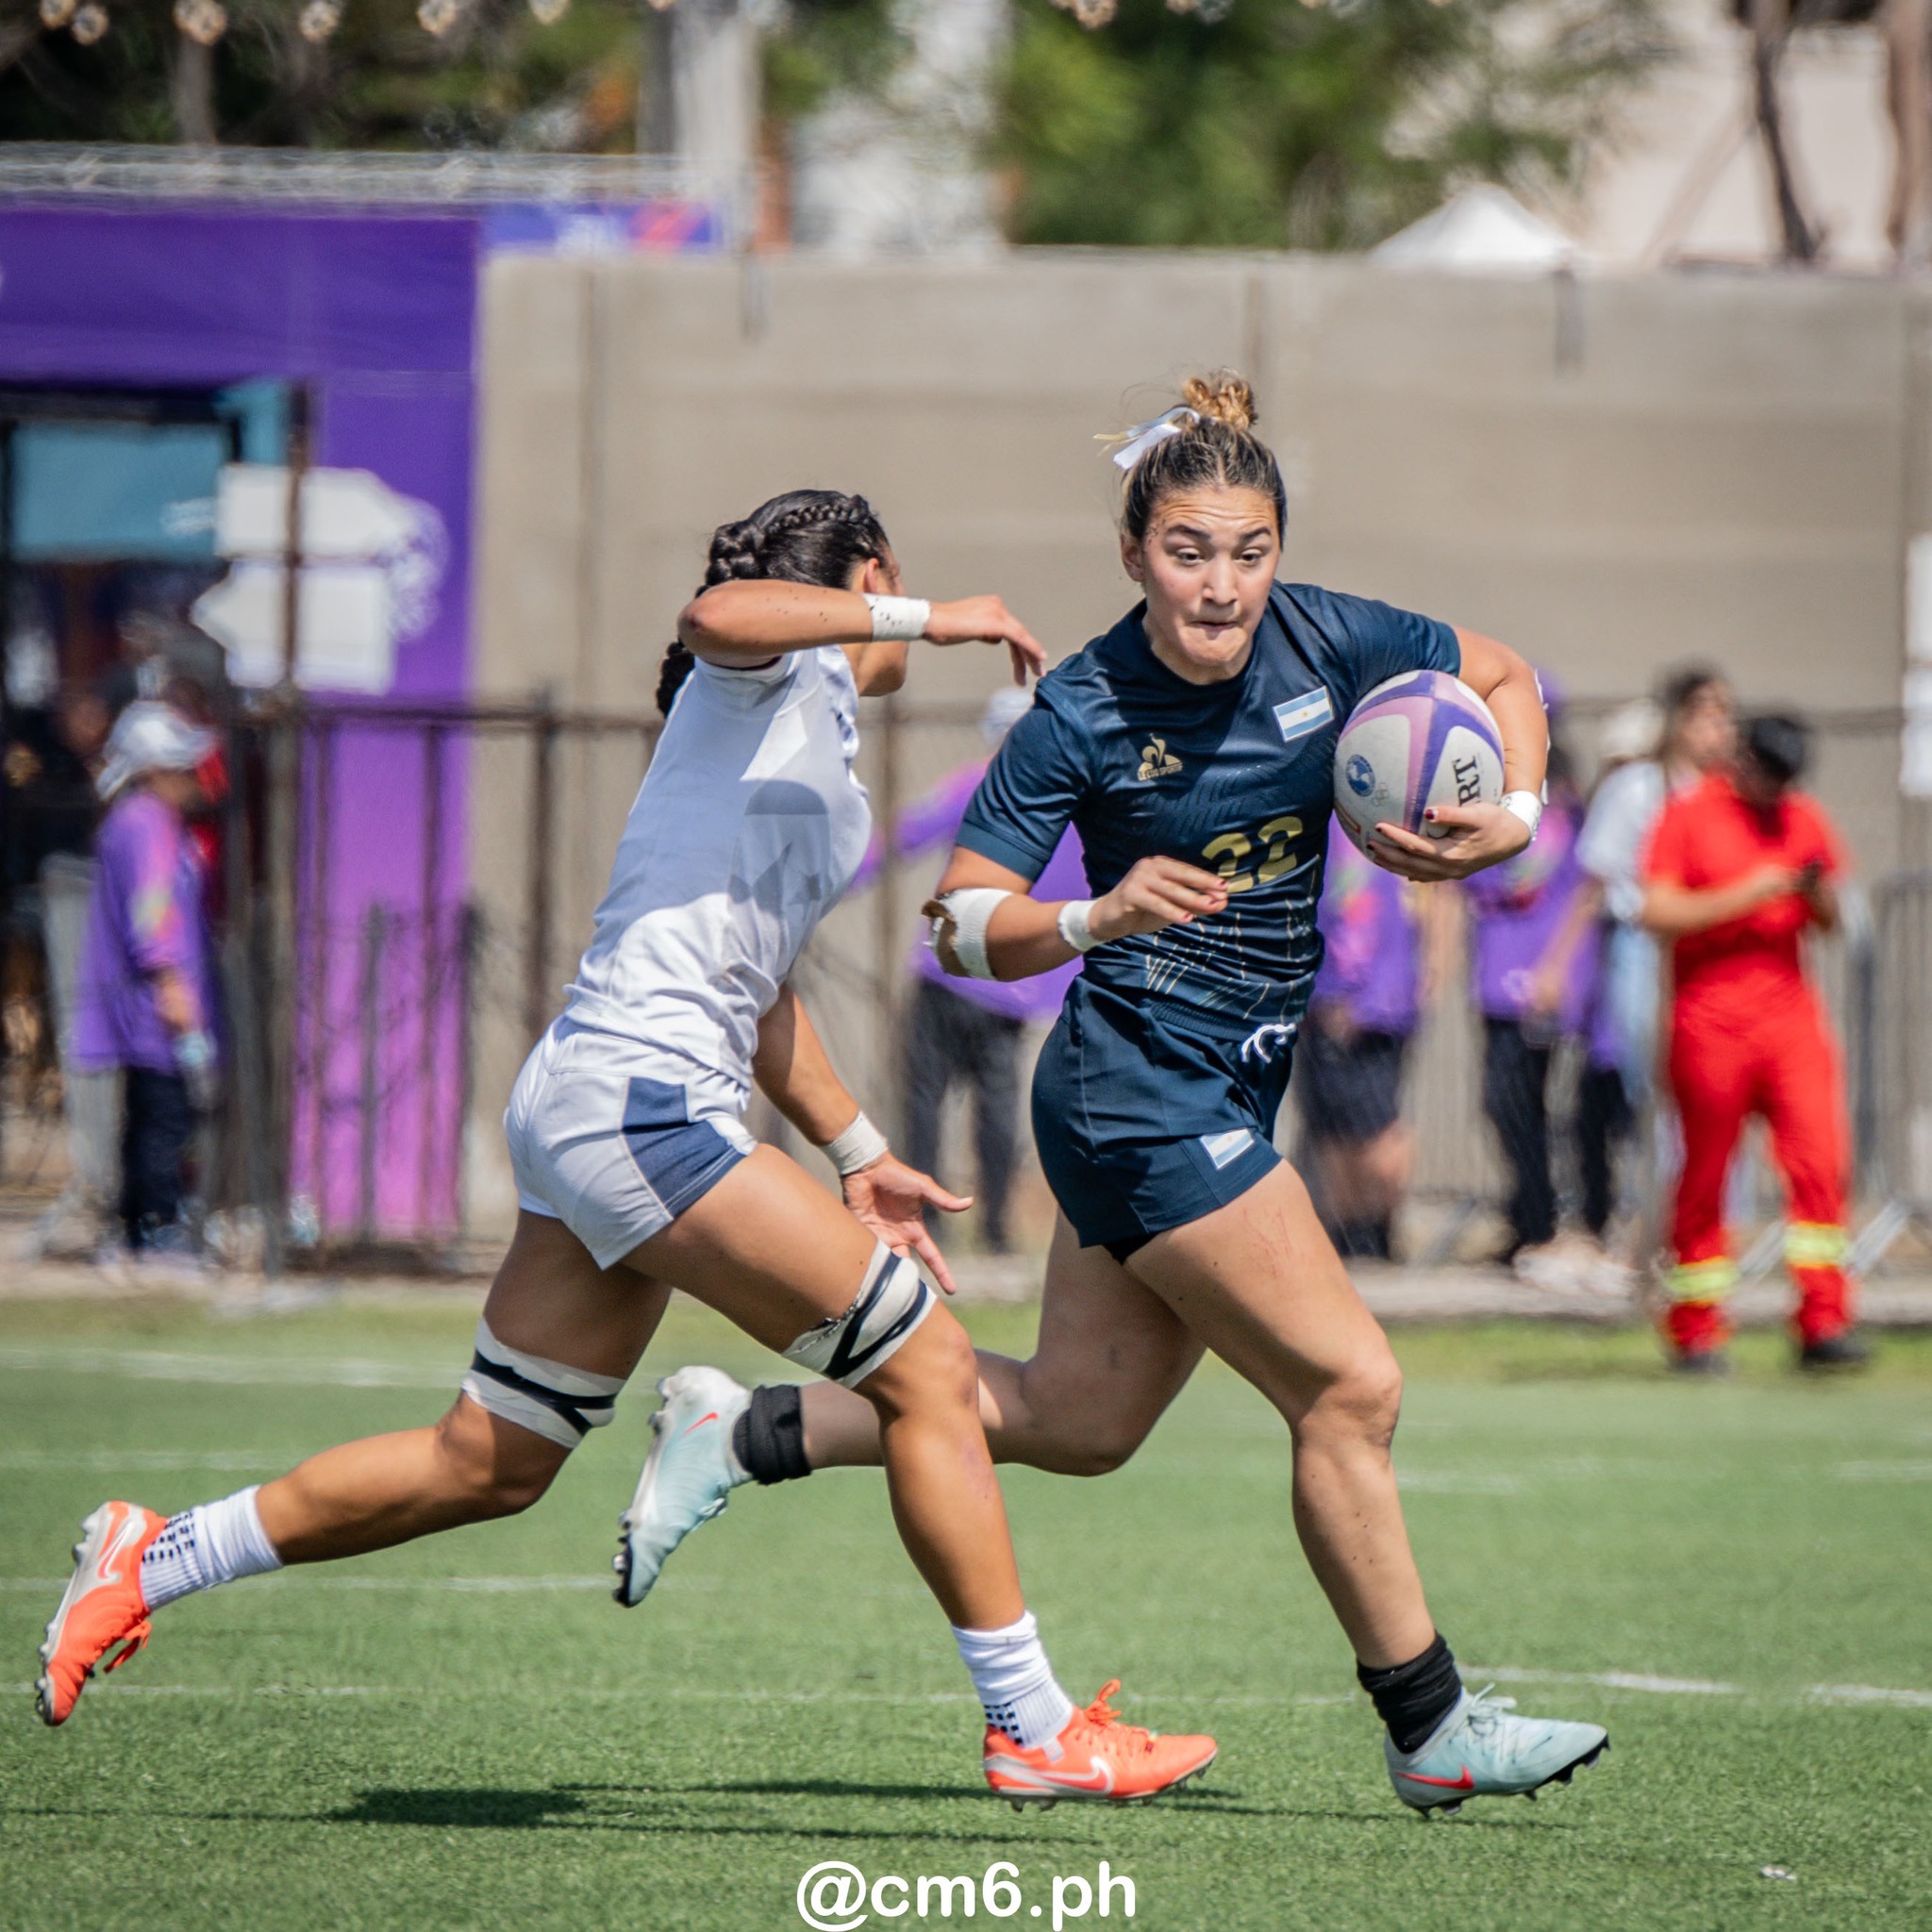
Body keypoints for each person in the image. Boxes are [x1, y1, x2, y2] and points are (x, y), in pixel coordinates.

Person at [35, 490, 1218, 1809]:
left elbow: (761, 995)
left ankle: (158, 1553)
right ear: (871, 574)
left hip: (606, 1104)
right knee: (930, 1367)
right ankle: (1033, 1728)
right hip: (641, 1107)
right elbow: (717, 612)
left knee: (489, 1463)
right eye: (893, 586)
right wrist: (933, 616)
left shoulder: (818, 741)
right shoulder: (769, 671)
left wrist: (859, 1149)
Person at [625, 375, 1610, 1815]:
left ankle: (748, 1429)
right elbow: (958, 922)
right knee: (1349, 1384)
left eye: (1250, 550)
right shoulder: (1081, 706)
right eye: (1190, 551)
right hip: (1136, 1091)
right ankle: (1433, 1728)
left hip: (1217, 1080)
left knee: (1082, 1420)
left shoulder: (1330, 635)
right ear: (1136, 551)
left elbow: (1508, 674)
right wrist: (1097, 914)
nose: (1222, 586)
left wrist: (1507, 820)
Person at [1641, 712, 1865, 1374]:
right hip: (1710, 1023)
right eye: (1769, 775)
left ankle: (1823, 1323)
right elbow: (1656, 911)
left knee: (1820, 1164)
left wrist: (1815, 890)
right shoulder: (1688, 815)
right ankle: (1695, 1330)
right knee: (1707, 1173)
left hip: (1791, 1020)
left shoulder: (1803, 816)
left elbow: (1828, 919)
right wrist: (1749, 892)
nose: (1777, 791)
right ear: (1743, 762)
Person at [867, 687, 1085, 1255]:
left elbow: (902, 837)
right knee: (998, 1108)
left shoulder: (976, 785)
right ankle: (995, 1228)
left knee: (925, 1101)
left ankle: (930, 1219)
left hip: (951, 972)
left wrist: (814, 887)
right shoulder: (1077, 808)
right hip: (1016, 986)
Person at [67, 702, 222, 1272]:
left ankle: (138, 1228)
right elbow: (154, 922)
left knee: (150, 1117)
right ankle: (155, 1229)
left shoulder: (148, 824)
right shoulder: (145, 823)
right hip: (156, 1011)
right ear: (153, 770)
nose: (191, 779)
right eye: (180, 767)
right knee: (166, 1119)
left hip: (156, 1008)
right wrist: (179, 1003)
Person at [1461, 735, 1607, 1281]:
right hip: (1498, 987)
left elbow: (1587, 891)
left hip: (1544, 987)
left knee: (1533, 1108)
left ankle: (1546, 1224)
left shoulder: (1565, 817)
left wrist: (1557, 970)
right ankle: (1531, 1218)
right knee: (1506, 1106)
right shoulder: (1491, 813)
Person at [1296, 822, 1442, 1260]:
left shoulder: (1397, 829)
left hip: (1380, 1006)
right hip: (1319, 999)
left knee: (1378, 1127)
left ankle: (1379, 1232)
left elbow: (1428, 909)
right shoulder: (1316, 825)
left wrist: (1390, 992)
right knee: (1331, 1129)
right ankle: (1347, 1237)